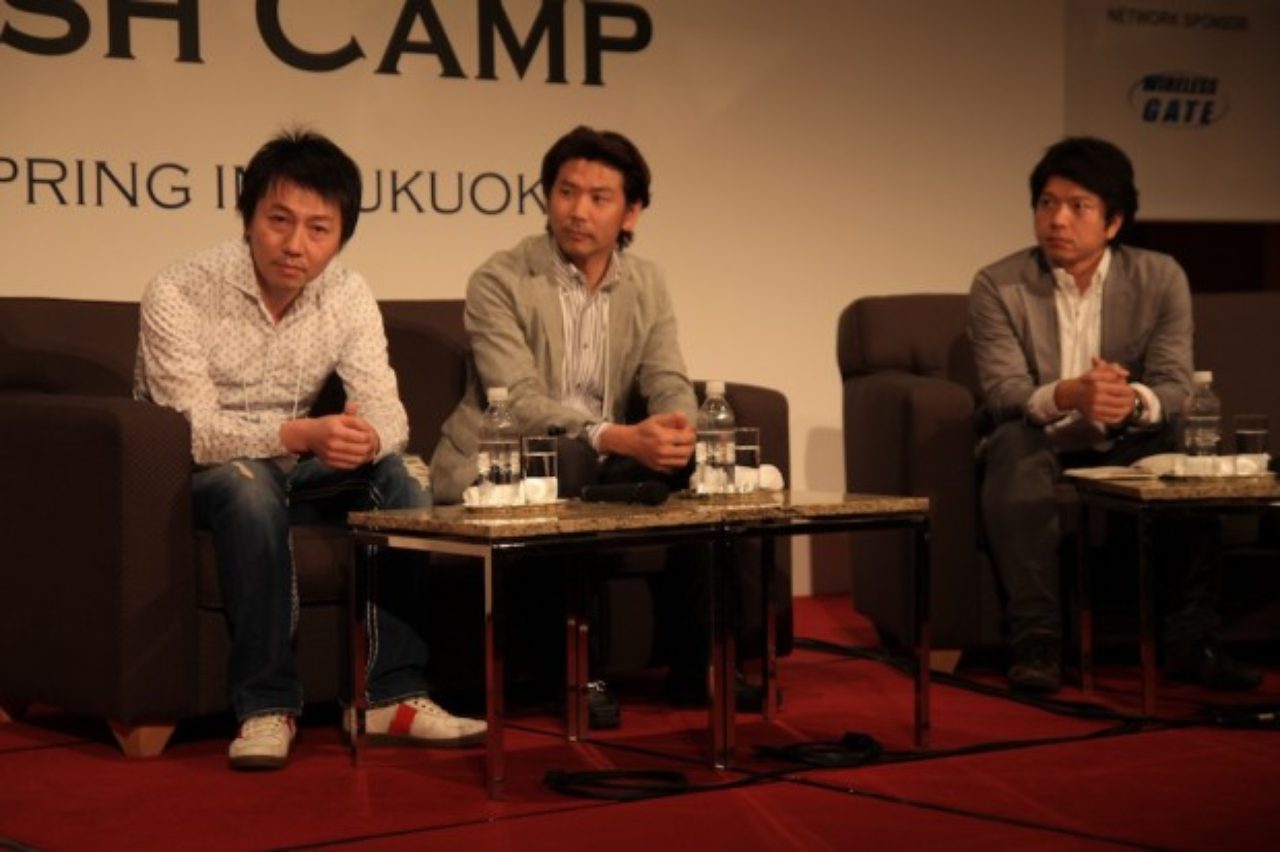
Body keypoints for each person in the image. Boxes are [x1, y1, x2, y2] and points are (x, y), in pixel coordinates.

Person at [134, 129, 485, 770]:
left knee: (403, 478)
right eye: (280, 221)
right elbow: (190, 432)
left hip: (296, 473)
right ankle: (267, 705)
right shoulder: (179, 291)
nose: (296, 245)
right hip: (203, 478)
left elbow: (389, 412)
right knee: (247, 485)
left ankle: (391, 696)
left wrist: (366, 436)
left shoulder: (347, 293)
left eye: (319, 229)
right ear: (248, 217)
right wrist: (296, 434)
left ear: (341, 237)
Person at [431, 125, 728, 727]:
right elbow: (517, 400)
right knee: (568, 460)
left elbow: (667, 375)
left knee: (705, 462)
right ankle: (578, 672)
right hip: (507, 461)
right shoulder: (499, 279)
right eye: (566, 192)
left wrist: (680, 429)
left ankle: (699, 664)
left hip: (605, 455)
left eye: (598, 197)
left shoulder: (647, 283)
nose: (578, 211)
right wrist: (614, 436)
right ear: (547, 198)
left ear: (630, 213)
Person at [968, 136, 1262, 695]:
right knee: (1009, 443)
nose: (1057, 219)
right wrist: (1069, 394)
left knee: (1186, 443)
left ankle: (1192, 638)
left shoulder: (1160, 277)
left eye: (1078, 206)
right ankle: (1036, 641)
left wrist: (1131, 401)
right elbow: (1005, 393)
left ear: (1114, 221)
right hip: (1042, 438)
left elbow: (1174, 383)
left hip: (1127, 438)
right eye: (1047, 203)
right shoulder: (997, 285)